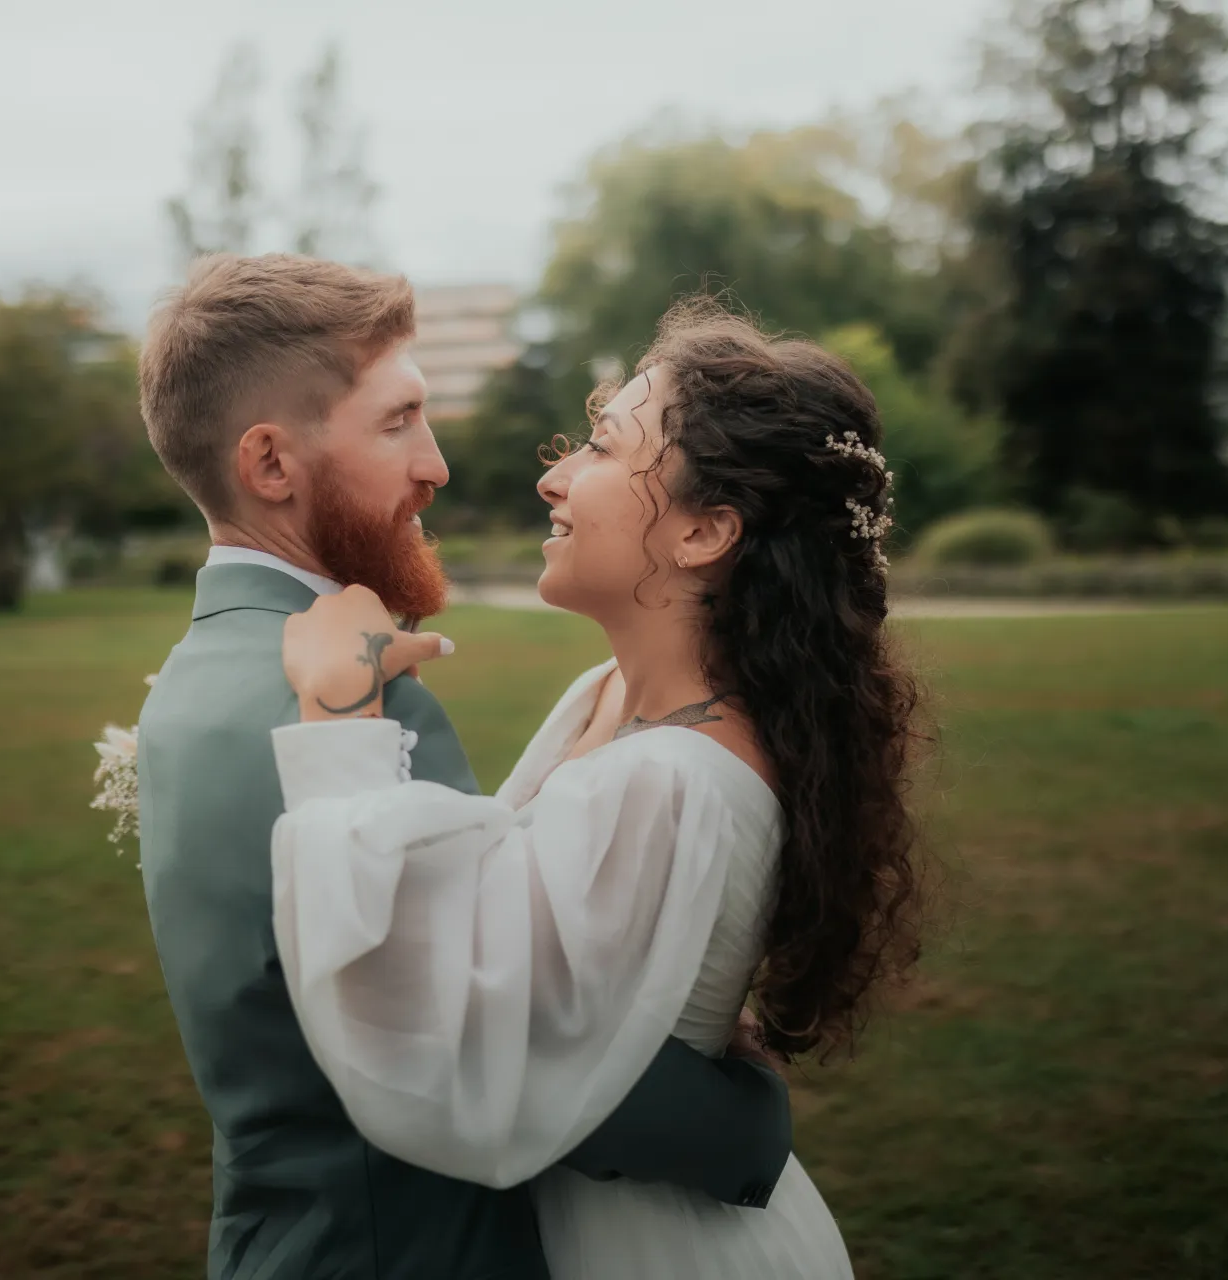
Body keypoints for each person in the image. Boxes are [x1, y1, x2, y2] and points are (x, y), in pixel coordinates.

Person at [133, 256, 794, 1280]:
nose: (436, 465)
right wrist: (739, 1118)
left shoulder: (191, 677)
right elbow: (466, 1035)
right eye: (398, 421)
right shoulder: (353, 707)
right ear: (270, 463)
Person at [269, 297, 925, 1278]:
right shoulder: (610, 692)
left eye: (604, 447)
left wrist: (337, 717)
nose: (554, 475)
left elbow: (458, 1052)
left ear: (705, 531)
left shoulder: (670, 780)